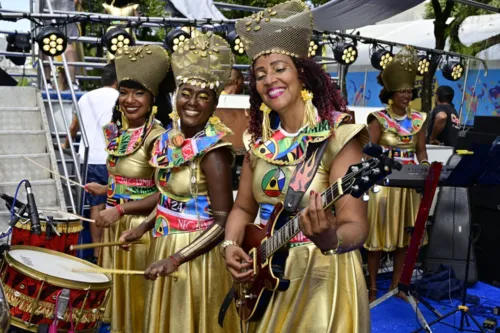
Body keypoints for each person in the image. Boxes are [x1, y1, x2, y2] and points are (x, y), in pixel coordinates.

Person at [223, 1, 371, 332]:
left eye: (279, 68)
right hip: (265, 277)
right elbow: (243, 208)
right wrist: (231, 246)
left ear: (302, 73)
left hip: (322, 277)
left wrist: (331, 238)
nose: (269, 79)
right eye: (260, 74)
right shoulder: (257, 143)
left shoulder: (337, 137)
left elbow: (356, 227)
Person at [117, 32, 241, 333]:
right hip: (165, 245)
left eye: (203, 96)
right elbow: (169, 200)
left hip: (197, 258)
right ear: (175, 96)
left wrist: (178, 258)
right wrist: (142, 227)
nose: (193, 102)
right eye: (186, 93)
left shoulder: (214, 153)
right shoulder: (169, 144)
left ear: (214, 103)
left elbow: (224, 221)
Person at [84, 44, 171, 333]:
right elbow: (129, 180)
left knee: (136, 306)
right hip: (114, 227)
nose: (129, 100)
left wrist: (120, 209)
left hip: (141, 233)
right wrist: (105, 188)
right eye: (124, 92)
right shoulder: (120, 133)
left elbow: (164, 193)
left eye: (138, 93)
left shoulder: (160, 138)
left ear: (153, 98)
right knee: (113, 308)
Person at [363, 46, 429, 303]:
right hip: (383, 184)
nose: (407, 94)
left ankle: (397, 286)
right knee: (376, 239)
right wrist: (378, 162)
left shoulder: (419, 120)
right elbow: (368, 151)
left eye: (410, 90)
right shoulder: (378, 119)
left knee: (405, 237)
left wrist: (424, 166)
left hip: (409, 185)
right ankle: (371, 289)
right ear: (392, 92)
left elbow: (421, 151)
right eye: (403, 90)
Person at [63, 62, 118, 261]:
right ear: (118, 80)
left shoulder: (85, 97)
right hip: (108, 158)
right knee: (114, 204)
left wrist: (64, 147)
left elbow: (73, 126)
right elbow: (112, 128)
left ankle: (96, 252)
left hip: (86, 158)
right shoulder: (120, 98)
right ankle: (108, 252)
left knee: (96, 206)